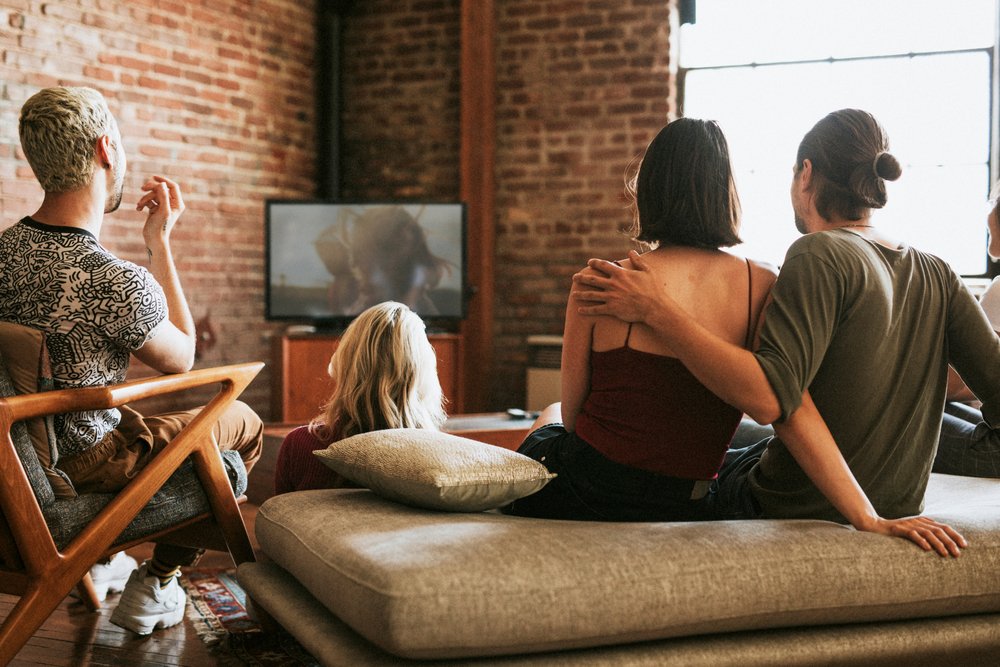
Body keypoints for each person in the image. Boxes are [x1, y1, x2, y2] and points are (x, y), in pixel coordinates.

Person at [574, 108, 981, 556]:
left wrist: (657, 310)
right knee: (740, 442)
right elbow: (789, 402)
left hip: (786, 498)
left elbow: (776, 399)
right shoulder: (933, 270)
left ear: (806, 173)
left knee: (568, 422)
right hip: (889, 498)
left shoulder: (816, 254)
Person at [3, 87, 263, 635]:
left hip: (20, 465)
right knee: (243, 422)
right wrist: (160, 242)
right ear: (106, 150)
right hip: (85, 470)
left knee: (146, 424)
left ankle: (110, 561)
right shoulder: (115, 280)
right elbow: (183, 359)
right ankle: (157, 582)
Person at [503, 118, 776, 521]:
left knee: (553, 413)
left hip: (590, 490)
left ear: (648, 190)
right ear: (724, 191)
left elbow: (577, 419)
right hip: (685, 496)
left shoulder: (600, 282)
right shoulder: (761, 282)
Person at [273, 301, 446, 494]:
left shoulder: (301, 445)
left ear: (347, 363)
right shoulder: (441, 460)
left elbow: (279, 512)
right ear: (422, 373)